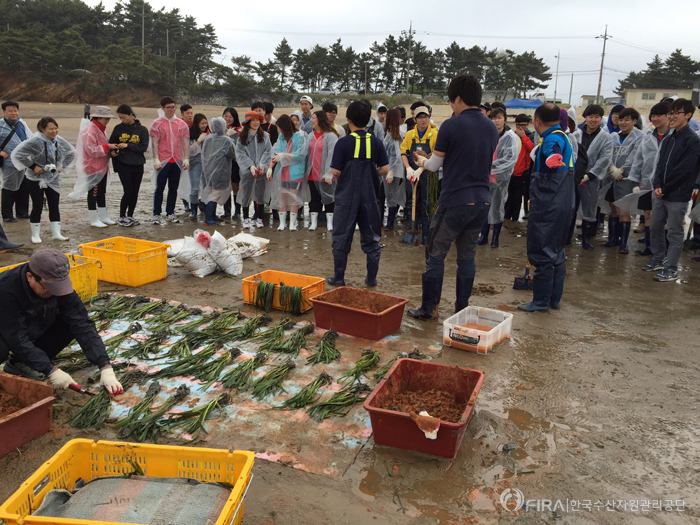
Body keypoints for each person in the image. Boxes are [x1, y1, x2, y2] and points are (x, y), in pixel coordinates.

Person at [408, 74, 498, 319]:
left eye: (450, 101)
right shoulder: (491, 126)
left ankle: (430, 308)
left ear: (457, 98)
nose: (451, 105)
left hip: (455, 201)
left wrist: (422, 161)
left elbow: (436, 165)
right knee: (467, 256)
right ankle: (461, 309)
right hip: (481, 201)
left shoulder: (451, 125)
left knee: (435, 252)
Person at [0, 249, 123, 396]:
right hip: (5, 326)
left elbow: (82, 323)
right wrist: (50, 370)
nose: (54, 293)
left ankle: (20, 364)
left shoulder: (57, 286)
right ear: (30, 277)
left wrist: (104, 365)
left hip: (31, 320)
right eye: (48, 288)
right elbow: (16, 336)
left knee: (69, 323)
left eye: (58, 288)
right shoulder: (6, 290)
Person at [518, 104, 575, 312]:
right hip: (562, 202)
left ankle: (541, 301)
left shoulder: (552, 139)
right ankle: (553, 300)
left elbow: (552, 152)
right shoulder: (563, 135)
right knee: (557, 252)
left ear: (537, 121)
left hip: (549, 204)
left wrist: (551, 158)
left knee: (542, 250)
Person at [327, 100, 389, 287]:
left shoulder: (343, 143)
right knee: (372, 238)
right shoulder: (376, 142)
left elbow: (335, 172)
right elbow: (385, 169)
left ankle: (339, 278)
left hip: (346, 198)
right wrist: (371, 174)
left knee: (341, 237)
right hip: (370, 198)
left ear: (349, 120)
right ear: (368, 120)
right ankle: (371, 279)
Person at [643, 99, 700, 281]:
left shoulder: (692, 141)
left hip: (678, 194)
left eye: (677, 113)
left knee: (675, 232)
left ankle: (671, 267)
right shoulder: (668, 139)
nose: (672, 116)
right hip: (660, 191)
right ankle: (658, 258)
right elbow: (659, 165)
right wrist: (658, 185)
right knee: (655, 226)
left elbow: (685, 170)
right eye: (671, 113)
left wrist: (665, 188)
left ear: (688, 115)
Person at [11, 118, 76, 244]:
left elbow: (71, 153)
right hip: (35, 178)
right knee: (38, 205)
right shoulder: (35, 141)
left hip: (53, 178)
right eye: (51, 129)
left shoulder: (58, 140)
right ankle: (35, 234)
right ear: (42, 129)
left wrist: (62, 167)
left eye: (56, 128)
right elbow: (18, 154)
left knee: (54, 204)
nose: (54, 131)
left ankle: (56, 233)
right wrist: (33, 166)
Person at [625, 103, 671, 256]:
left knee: (664, 218)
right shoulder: (647, 138)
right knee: (648, 215)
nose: (655, 119)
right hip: (647, 183)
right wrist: (635, 180)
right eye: (653, 115)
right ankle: (649, 246)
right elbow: (638, 160)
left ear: (668, 116)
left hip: (666, 185)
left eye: (659, 115)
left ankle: (663, 249)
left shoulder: (673, 137)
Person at [599, 108, 643, 253]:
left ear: (634, 121)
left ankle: (623, 243)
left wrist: (622, 170)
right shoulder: (613, 136)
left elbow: (635, 157)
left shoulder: (639, 137)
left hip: (627, 178)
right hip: (612, 177)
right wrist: (612, 169)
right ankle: (613, 239)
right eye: (621, 119)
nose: (623, 123)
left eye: (627, 120)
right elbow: (608, 153)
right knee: (613, 208)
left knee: (624, 209)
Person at [572, 104, 614, 250]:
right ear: (585, 118)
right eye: (590, 116)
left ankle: (586, 239)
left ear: (601, 118)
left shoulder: (606, 138)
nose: (593, 120)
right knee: (571, 206)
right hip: (574, 177)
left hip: (591, 179)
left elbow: (605, 158)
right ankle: (567, 237)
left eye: (597, 116)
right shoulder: (576, 134)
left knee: (590, 209)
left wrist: (589, 175)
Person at [70, 106, 118, 228]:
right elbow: (91, 150)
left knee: (102, 192)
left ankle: (103, 216)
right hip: (93, 167)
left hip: (102, 167)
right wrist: (107, 147)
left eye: (108, 118)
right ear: (98, 117)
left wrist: (109, 149)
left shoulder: (100, 129)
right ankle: (93, 218)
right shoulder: (90, 130)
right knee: (93, 193)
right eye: (105, 118)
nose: (107, 121)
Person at [477, 108, 519, 247]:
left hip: (500, 178)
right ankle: (484, 236)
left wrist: (492, 166)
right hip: (485, 176)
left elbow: (510, 159)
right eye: (494, 118)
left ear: (505, 119)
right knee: (484, 206)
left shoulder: (510, 136)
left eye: (499, 118)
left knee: (498, 207)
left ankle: (495, 238)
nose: (496, 121)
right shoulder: (487, 133)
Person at [400, 105, 438, 245]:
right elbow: (404, 152)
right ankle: (412, 230)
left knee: (427, 204)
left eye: (426, 117)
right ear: (415, 119)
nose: (424, 120)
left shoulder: (434, 134)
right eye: (420, 117)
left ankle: (427, 235)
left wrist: (421, 168)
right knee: (411, 203)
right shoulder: (410, 134)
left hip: (428, 174)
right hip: (412, 175)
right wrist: (408, 168)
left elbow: (436, 154)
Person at [150, 96, 190, 224]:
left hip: (177, 160)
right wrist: (156, 158)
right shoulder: (157, 123)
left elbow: (185, 142)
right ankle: (156, 213)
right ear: (162, 108)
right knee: (159, 188)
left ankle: (170, 212)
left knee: (173, 188)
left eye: (173, 107)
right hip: (163, 160)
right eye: (169, 107)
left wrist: (186, 158)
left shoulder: (181, 124)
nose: (172, 110)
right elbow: (154, 142)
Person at [108, 104, 149, 227]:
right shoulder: (118, 128)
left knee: (135, 191)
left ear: (131, 114)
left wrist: (128, 145)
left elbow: (143, 147)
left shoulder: (142, 130)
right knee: (128, 190)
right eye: (120, 118)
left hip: (137, 164)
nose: (122, 120)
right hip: (122, 163)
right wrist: (113, 152)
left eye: (124, 117)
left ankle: (130, 215)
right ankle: (122, 216)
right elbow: (111, 143)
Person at [267, 114, 308, 231]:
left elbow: (300, 155)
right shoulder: (281, 138)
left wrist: (284, 156)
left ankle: (292, 224)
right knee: (282, 197)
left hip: (296, 172)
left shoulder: (299, 136)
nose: (280, 130)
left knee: (294, 197)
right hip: (283, 172)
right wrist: (270, 167)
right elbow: (275, 152)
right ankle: (282, 223)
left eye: (281, 127)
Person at [236, 110, 272, 228]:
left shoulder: (265, 135)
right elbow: (240, 153)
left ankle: (259, 217)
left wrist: (263, 165)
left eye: (258, 120)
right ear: (248, 122)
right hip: (247, 170)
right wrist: (250, 165)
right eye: (253, 120)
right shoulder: (242, 137)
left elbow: (268, 151)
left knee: (260, 194)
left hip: (261, 170)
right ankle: (246, 217)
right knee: (246, 193)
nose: (256, 123)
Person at [305, 111, 339, 233]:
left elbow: (332, 155)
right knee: (314, 198)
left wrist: (329, 173)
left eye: (313, 118)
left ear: (320, 119)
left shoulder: (330, 136)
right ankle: (314, 222)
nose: (311, 120)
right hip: (312, 174)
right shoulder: (310, 135)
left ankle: (330, 223)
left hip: (326, 174)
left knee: (329, 198)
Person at [200, 117, 236, 226]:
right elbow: (233, 154)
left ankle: (212, 215)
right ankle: (208, 218)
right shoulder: (227, 140)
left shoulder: (208, 138)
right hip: (221, 171)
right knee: (216, 194)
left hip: (208, 170)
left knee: (211, 190)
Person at [1, 101, 32, 223]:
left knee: (24, 187)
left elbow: (30, 139)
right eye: (10, 111)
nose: (14, 113)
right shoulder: (1, 126)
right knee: (9, 188)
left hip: (24, 161)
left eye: (15, 110)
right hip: (10, 162)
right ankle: (7, 215)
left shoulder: (21, 124)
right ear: (4, 112)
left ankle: (22, 212)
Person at [504, 114, 535, 222]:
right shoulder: (512, 135)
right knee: (508, 197)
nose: (521, 128)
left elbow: (532, 149)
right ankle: (506, 217)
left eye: (523, 125)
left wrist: (523, 136)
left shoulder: (530, 136)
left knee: (517, 198)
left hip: (523, 173)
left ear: (527, 125)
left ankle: (515, 219)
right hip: (510, 171)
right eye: (518, 125)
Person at [381, 109, 406, 231]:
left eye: (386, 116)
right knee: (392, 195)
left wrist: (390, 171)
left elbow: (396, 155)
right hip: (394, 170)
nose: (384, 118)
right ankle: (390, 220)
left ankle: (390, 223)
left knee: (391, 196)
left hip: (393, 171)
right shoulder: (392, 133)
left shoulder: (394, 135)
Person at [187, 114, 209, 220]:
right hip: (195, 163)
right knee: (195, 188)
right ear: (197, 124)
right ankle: (194, 211)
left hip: (206, 163)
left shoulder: (208, 134)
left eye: (205, 123)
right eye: (202, 123)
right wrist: (198, 141)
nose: (204, 125)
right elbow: (189, 151)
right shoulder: (191, 134)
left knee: (206, 187)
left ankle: (205, 208)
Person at [222, 107, 242, 221]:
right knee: (225, 186)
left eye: (230, 116)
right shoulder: (221, 129)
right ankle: (227, 211)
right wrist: (226, 135)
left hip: (235, 162)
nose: (227, 119)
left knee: (236, 186)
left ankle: (237, 211)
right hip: (223, 162)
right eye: (225, 116)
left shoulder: (239, 131)